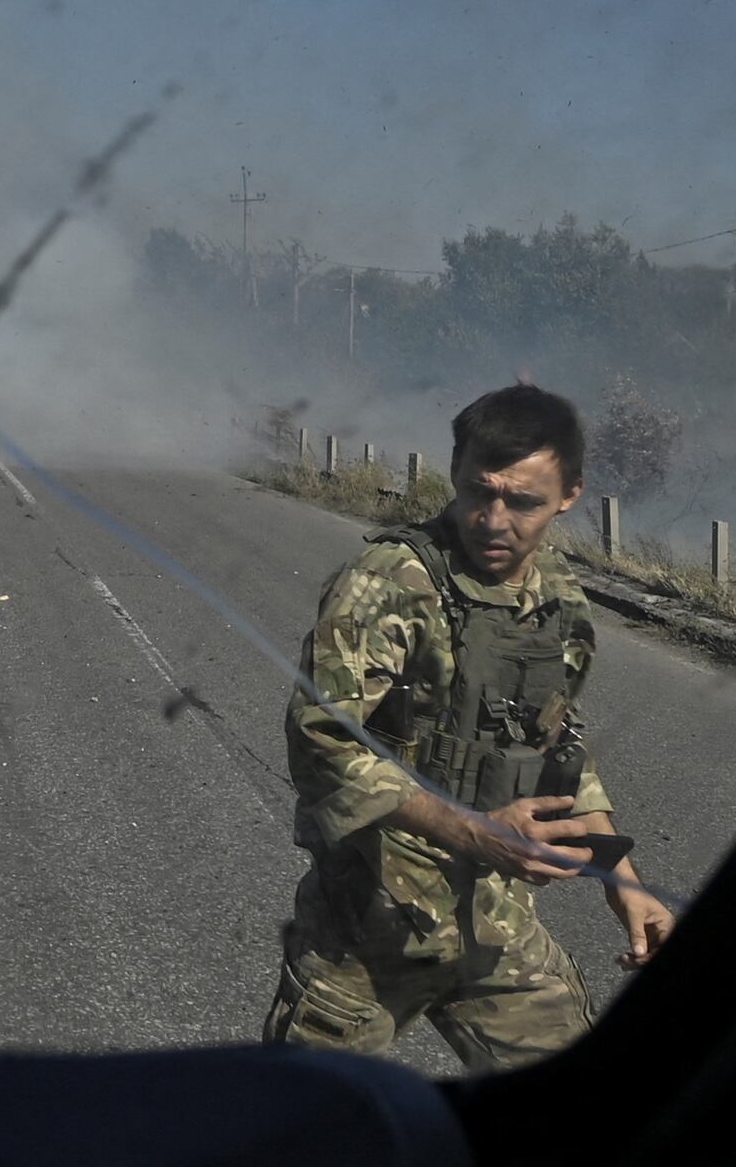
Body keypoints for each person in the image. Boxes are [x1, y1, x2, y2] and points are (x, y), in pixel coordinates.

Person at [260, 379, 676, 1072]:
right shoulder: (392, 580)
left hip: (495, 926)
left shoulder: (559, 603)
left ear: (570, 495)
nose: (494, 519)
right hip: (368, 930)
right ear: (454, 472)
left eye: (523, 502)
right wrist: (477, 831)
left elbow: (557, 750)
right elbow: (321, 740)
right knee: (297, 1138)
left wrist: (622, 878)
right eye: (480, 491)